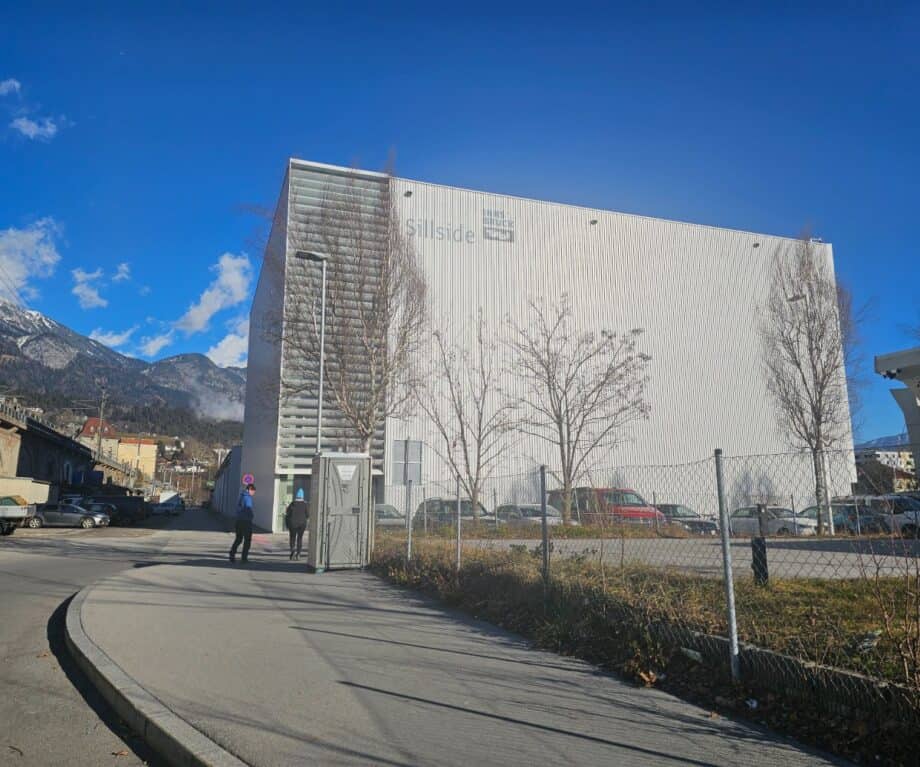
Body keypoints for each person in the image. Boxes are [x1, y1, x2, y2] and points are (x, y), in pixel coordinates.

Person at [229, 484, 255, 564]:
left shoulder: (241, 496)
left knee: (238, 539)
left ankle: (232, 554)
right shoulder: (248, 498)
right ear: (250, 489)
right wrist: (251, 516)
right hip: (246, 521)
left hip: (239, 521)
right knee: (247, 540)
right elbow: (248, 508)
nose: (253, 493)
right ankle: (244, 558)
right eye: (253, 491)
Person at [285, 488, 309, 560]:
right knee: (300, 538)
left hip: (293, 524)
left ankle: (292, 550)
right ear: (302, 496)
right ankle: (298, 554)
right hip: (302, 524)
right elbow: (307, 515)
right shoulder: (305, 504)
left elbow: (288, 513)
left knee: (292, 537)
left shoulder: (292, 503)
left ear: (296, 496)